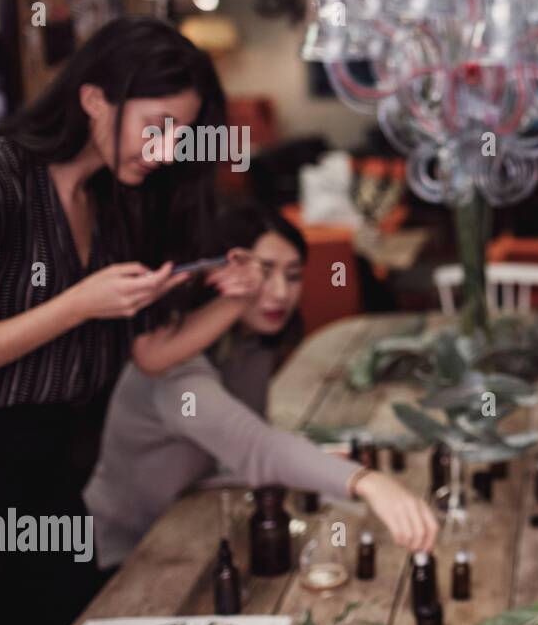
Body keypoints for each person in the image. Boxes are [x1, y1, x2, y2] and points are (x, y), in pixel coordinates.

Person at [0, 17, 241, 625]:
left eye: (182, 135)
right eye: (158, 125)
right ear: (95, 99)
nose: (168, 149)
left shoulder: (114, 201)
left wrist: (230, 302)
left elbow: (151, 355)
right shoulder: (2, 179)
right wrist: (77, 304)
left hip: (58, 478)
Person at [84, 205, 439, 573]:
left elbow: (237, 448)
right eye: (264, 273)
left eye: (294, 275)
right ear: (221, 274)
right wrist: (369, 483)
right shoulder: (176, 369)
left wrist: (316, 463)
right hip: (124, 559)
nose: (281, 292)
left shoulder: (249, 343)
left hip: (195, 529)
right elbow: (257, 448)